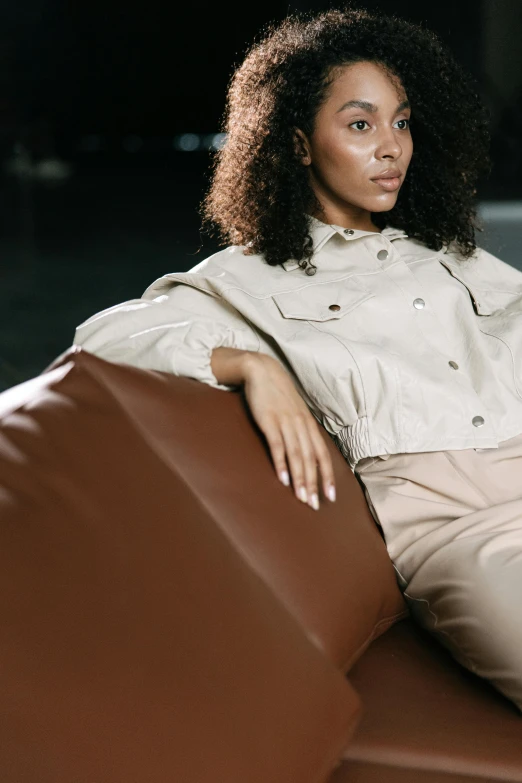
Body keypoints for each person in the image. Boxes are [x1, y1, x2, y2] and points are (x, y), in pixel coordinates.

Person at [73, 7, 522, 712]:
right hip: (460, 531)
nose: (391, 148)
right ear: (299, 144)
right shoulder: (248, 279)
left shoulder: (449, 256)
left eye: (401, 122)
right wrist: (252, 366)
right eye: (360, 124)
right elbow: (101, 342)